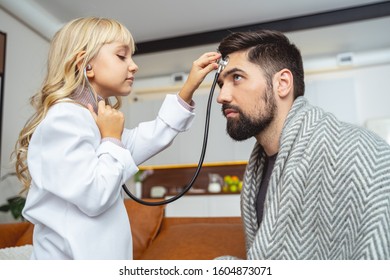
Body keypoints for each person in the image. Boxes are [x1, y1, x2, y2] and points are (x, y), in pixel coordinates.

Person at [13, 17, 220, 260]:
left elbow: (153, 136)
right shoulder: (63, 119)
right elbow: (94, 196)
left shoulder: (94, 121)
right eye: (122, 56)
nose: (134, 66)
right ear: (85, 65)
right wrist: (110, 139)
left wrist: (189, 86)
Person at [216, 29, 390, 259]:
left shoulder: (362, 152)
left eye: (236, 78)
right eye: (221, 83)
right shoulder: (257, 170)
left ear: (283, 83)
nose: (222, 96)